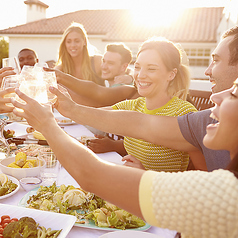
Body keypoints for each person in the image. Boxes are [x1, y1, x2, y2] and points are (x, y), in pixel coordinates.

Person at [11, 77, 238, 238]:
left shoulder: (227, 195)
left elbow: (92, 175)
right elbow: (142, 123)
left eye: (235, 92)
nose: (215, 96)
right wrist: (71, 109)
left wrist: (48, 125)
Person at [45, 25, 238, 172]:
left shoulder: (184, 114)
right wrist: (50, 109)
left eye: (151, 69)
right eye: (138, 67)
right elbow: (91, 115)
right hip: (131, 190)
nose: (140, 75)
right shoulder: (133, 105)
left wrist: (145, 175)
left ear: (171, 74)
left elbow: (201, 176)